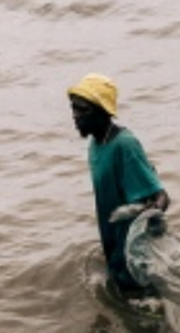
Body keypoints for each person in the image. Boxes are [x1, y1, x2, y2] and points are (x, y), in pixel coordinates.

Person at [68, 73, 170, 289]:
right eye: (73, 108)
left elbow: (161, 196)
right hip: (115, 250)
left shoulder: (124, 146)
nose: (75, 115)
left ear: (102, 111)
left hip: (137, 257)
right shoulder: (96, 144)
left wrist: (153, 211)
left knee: (146, 311)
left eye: (82, 109)